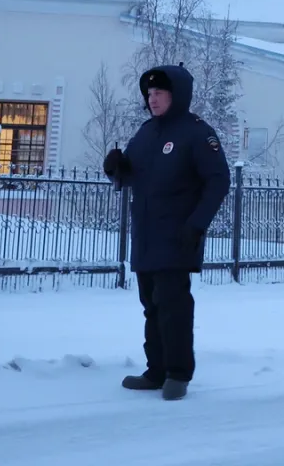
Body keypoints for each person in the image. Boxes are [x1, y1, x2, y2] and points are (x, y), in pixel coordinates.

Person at [102, 64, 230, 401]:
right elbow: (131, 175)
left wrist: (197, 224)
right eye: (149, 93)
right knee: (151, 306)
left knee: (173, 305)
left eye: (159, 93)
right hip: (146, 235)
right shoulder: (146, 133)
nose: (152, 99)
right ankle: (155, 370)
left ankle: (177, 373)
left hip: (178, 235)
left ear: (177, 95)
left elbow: (218, 181)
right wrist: (116, 167)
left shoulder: (197, 133)